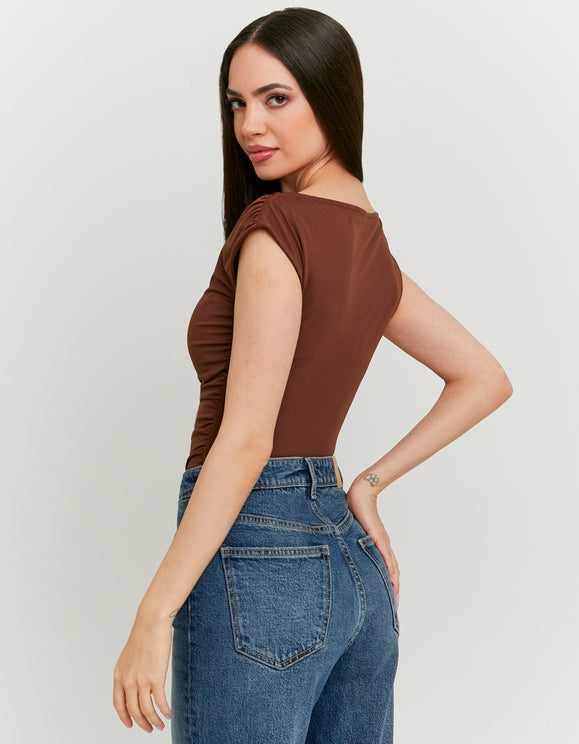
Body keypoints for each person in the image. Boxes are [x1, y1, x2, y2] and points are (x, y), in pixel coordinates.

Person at [113, 7, 513, 743]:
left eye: (276, 98)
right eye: (237, 104)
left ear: (331, 95)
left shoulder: (279, 230)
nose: (250, 126)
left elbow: (246, 442)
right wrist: (364, 487)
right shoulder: (369, 248)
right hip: (351, 568)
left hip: (257, 560)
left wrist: (154, 613)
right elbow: (483, 377)